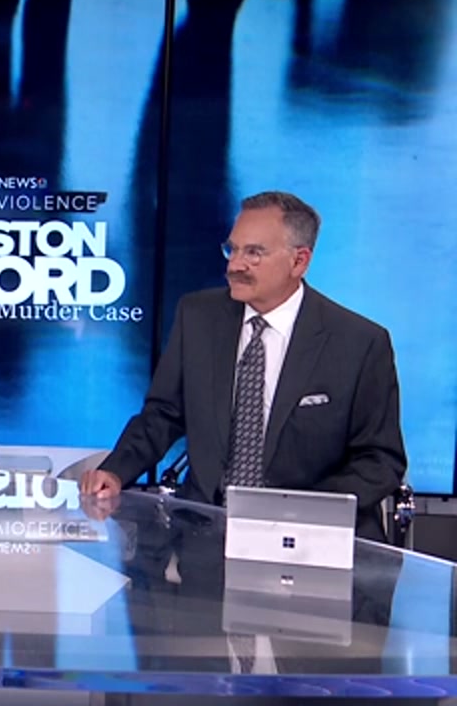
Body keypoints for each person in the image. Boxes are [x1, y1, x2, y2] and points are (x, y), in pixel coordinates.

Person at [80, 191, 407, 541]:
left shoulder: (359, 343)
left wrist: (298, 513)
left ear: (299, 261)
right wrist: (116, 471)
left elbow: (380, 460)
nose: (234, 265)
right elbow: (163, 414)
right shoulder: (198, 316)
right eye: (232, 249)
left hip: (310, 542)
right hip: (206, 534)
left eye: (254, 253)